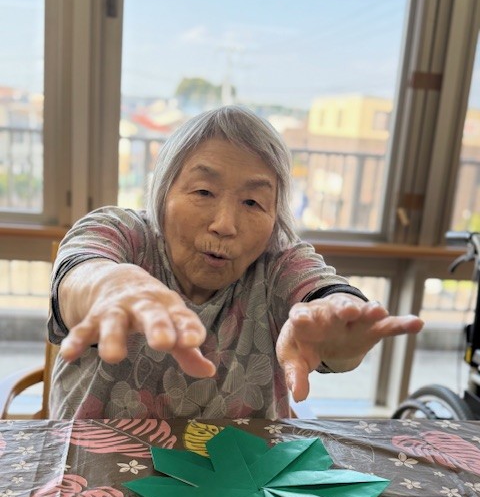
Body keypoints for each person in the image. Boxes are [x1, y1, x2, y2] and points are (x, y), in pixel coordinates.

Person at [48, 105, 423, 420]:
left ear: (275, 217)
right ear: (163, 193)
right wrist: (108, 287)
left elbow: (321, 291)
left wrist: (340, 321)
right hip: (95, 474)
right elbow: (81, 270)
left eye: (253, 202)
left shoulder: (276, 263)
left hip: (242, 481)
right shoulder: (124, 233)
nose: (225, 224)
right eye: (203, 191)